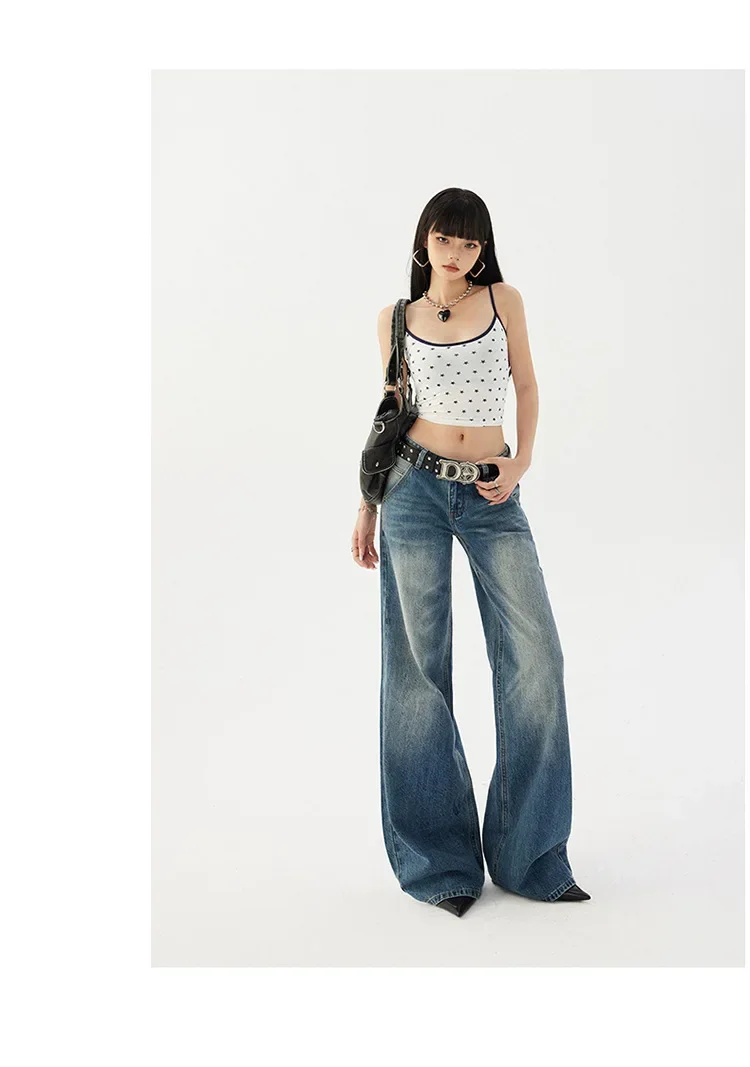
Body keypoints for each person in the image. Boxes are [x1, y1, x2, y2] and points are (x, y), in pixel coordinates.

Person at [352, 188, 590, 917]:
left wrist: (521, 462)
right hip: (412, 491)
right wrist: (367, 503)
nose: (455, 253)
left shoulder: (503, 302)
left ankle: (530, 855)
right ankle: (440, 864)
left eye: (469, 242)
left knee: (536, 656)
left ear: (482, 250)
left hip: (491, 493)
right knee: (417, 669)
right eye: (443, 239)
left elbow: (527, 383)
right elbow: (391, 411)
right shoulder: (396, 319)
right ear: (423, 241)